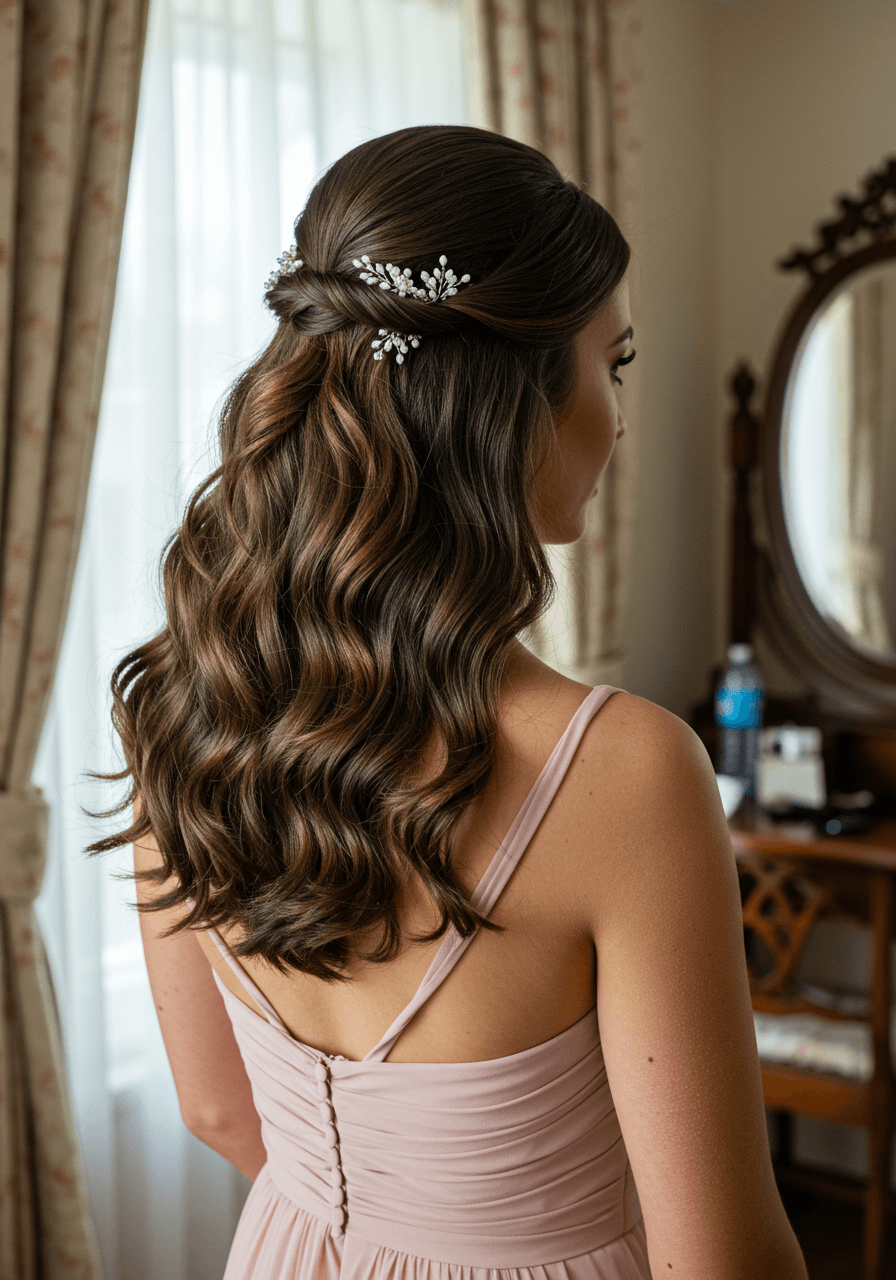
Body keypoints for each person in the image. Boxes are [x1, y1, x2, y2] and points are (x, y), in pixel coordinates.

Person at [88, 124, 809, 1279]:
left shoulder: (179, 699)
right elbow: (721, 1259)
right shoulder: (624, 769)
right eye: (610, 363)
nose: (618, 418)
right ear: (511, 396)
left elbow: (220, 1111)